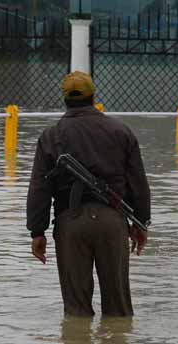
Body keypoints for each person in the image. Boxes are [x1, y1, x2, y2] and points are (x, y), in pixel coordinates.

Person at [27, 71, 151, 317]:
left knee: (76, 312)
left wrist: (37, 231)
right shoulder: (121, 132)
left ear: (64, 99)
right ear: (93, 96)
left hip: (70, 224)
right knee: (119, 311)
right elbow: (138, 183)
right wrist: (141, 223)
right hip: (112, 221)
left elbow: (40, 188)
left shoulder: (51, 136)